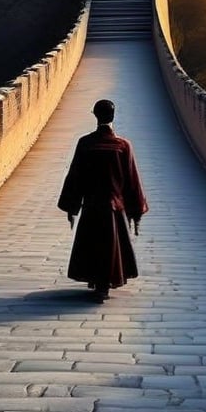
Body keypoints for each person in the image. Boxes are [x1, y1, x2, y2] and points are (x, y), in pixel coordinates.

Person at [58, 98, 149, 301]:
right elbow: (132, 181)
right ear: (113, 116)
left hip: (91, 206)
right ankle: (104, 283)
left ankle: (95, 279)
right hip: (114, 208)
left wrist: (71, 206)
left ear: (95, 116)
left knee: (91, 243)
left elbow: (75, 176)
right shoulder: (123, 146)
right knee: (111, 247)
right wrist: (136, 211)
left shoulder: (85, 143)